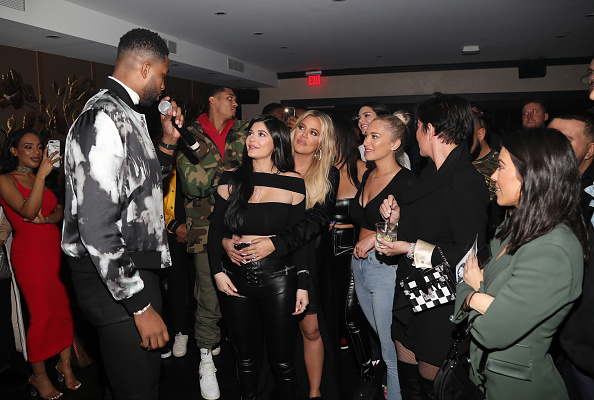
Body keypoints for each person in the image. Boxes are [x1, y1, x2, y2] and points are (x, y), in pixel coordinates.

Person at [62, 28, 183, 400]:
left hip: (130, 272)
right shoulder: (102, 117)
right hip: (115, 281)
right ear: (145, 68)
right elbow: (96, 226)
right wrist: (139, 304)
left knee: (138, 383)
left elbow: (140, 192)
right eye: (162, 75)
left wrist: (166, 144)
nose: (163, 87)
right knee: (137, 389)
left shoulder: (127, 113)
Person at [454, 128, 586, 400]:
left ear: (532, 175)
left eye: (500, 167)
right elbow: (464, 282)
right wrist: (477, 298)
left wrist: (473, 294)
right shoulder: (514, 227)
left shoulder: (552, 250)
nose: (492, 176)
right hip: (482, 377)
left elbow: (491, 331)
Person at [378, 92, 489, 399]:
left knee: (434, 389)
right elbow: (426, 227)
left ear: (431, 130)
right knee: (410, 384)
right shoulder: (429, 174)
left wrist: (408, 249)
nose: (415, 135)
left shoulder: (465, 180)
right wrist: (396, 220)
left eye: (418, 127)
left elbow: (467, 257)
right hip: (413, 294)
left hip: (440, 303)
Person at [224, 110, 340, 399]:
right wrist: (228, 239)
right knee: (268, 336)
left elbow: (317, 220)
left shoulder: (327, 173)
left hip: (305, 256)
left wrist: (277, 243)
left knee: (310, 329)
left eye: (314, 133)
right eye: (301, 127)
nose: (303, 135)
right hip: (265, 264)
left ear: (322, 143)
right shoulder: (267, 163)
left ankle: (314, 392)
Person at [208, 115, 308, 399]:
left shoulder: (293, 182)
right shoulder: (230, 178)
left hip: (279, 279)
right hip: (235, 279)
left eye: (261, 134)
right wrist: (217, 272)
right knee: (245, 358)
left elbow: (298, 237)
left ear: (277, 141)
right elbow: (215, 231)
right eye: (251, 133)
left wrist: (303, 284)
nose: (252, 139)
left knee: (283, 359)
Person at [176, 85, 248, 400]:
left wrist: (218, 171)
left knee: (243, 291)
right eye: (230, 97)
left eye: (236, 99)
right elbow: (194, 185)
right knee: (210, 295)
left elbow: (256, 173)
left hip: (243, 226)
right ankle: (206, 359)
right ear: (213, 101)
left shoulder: (245, 131)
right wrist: (232, 173)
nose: (235, 103)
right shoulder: (187, 133)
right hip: (205, 229)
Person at [0, 129, 79, 400]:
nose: (36, 152)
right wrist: (42, 176)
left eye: (39, 147)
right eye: (28, 147)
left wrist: (50, 218)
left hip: (54, 250)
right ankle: (39, 375)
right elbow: (28, 211)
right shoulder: (5, 180)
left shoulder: (42, 178)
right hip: (29, 254)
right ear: (14, 151)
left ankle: (64, 364)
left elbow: (60, 210)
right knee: (42, 314)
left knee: (64, 309)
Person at [350, 112, 417, 400]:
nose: (366, 140)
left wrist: (375, 236)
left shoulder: (407, 182)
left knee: (391, 351)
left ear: (395, 143)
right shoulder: (367, 174)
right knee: (382, 337)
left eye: (375, 136)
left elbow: (415, 231)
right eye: (366, 135)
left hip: (386, 268)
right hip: (360, 265)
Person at [328, 114, 374, 395]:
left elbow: (372, 214)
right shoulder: (322, 171)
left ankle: (367, 371)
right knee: (331, 314)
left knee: (350, 315)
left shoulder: (364, 170)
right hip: (324, 251)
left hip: (354, 251)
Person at [549, 113, 594, 399]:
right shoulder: (541, 191)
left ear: (590, 150)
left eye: (566, 140)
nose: (553, 146)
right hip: (553, 345)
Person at [357, 102, 411, 169]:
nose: (360, 121)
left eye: (366, 115)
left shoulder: (401, 156)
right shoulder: (358, 151)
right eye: (359, 118)